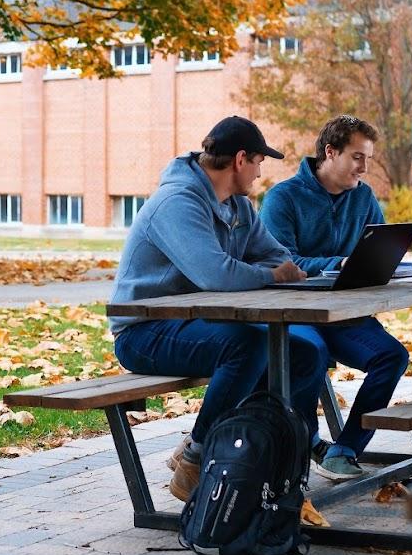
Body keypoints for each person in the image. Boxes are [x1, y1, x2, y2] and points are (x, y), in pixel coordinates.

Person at [109, 115, 326, 502]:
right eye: (260, 162)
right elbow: (216, 275)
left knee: (305, 356)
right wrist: (269, 275)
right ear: (241, 160)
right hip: (144, 332)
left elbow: (279, 258)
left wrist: (272, 271)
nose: (260, 173)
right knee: (249, 347)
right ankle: (198, 457)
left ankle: (255, 454)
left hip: (199, 325)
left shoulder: (239, 207)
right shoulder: (177, 202)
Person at [261, 115, 410, 482]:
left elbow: (376, 245)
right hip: (295, 314)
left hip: (344, 313)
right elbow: (282, 261)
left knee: (393, 356)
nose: (364, 167)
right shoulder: (283, 198)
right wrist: (336, 263)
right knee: (308, 354)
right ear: (331, 151)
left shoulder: (363, 197)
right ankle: (306, 444)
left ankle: (345, 449)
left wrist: (388, 263)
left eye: (368, 159)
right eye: (357, 157)